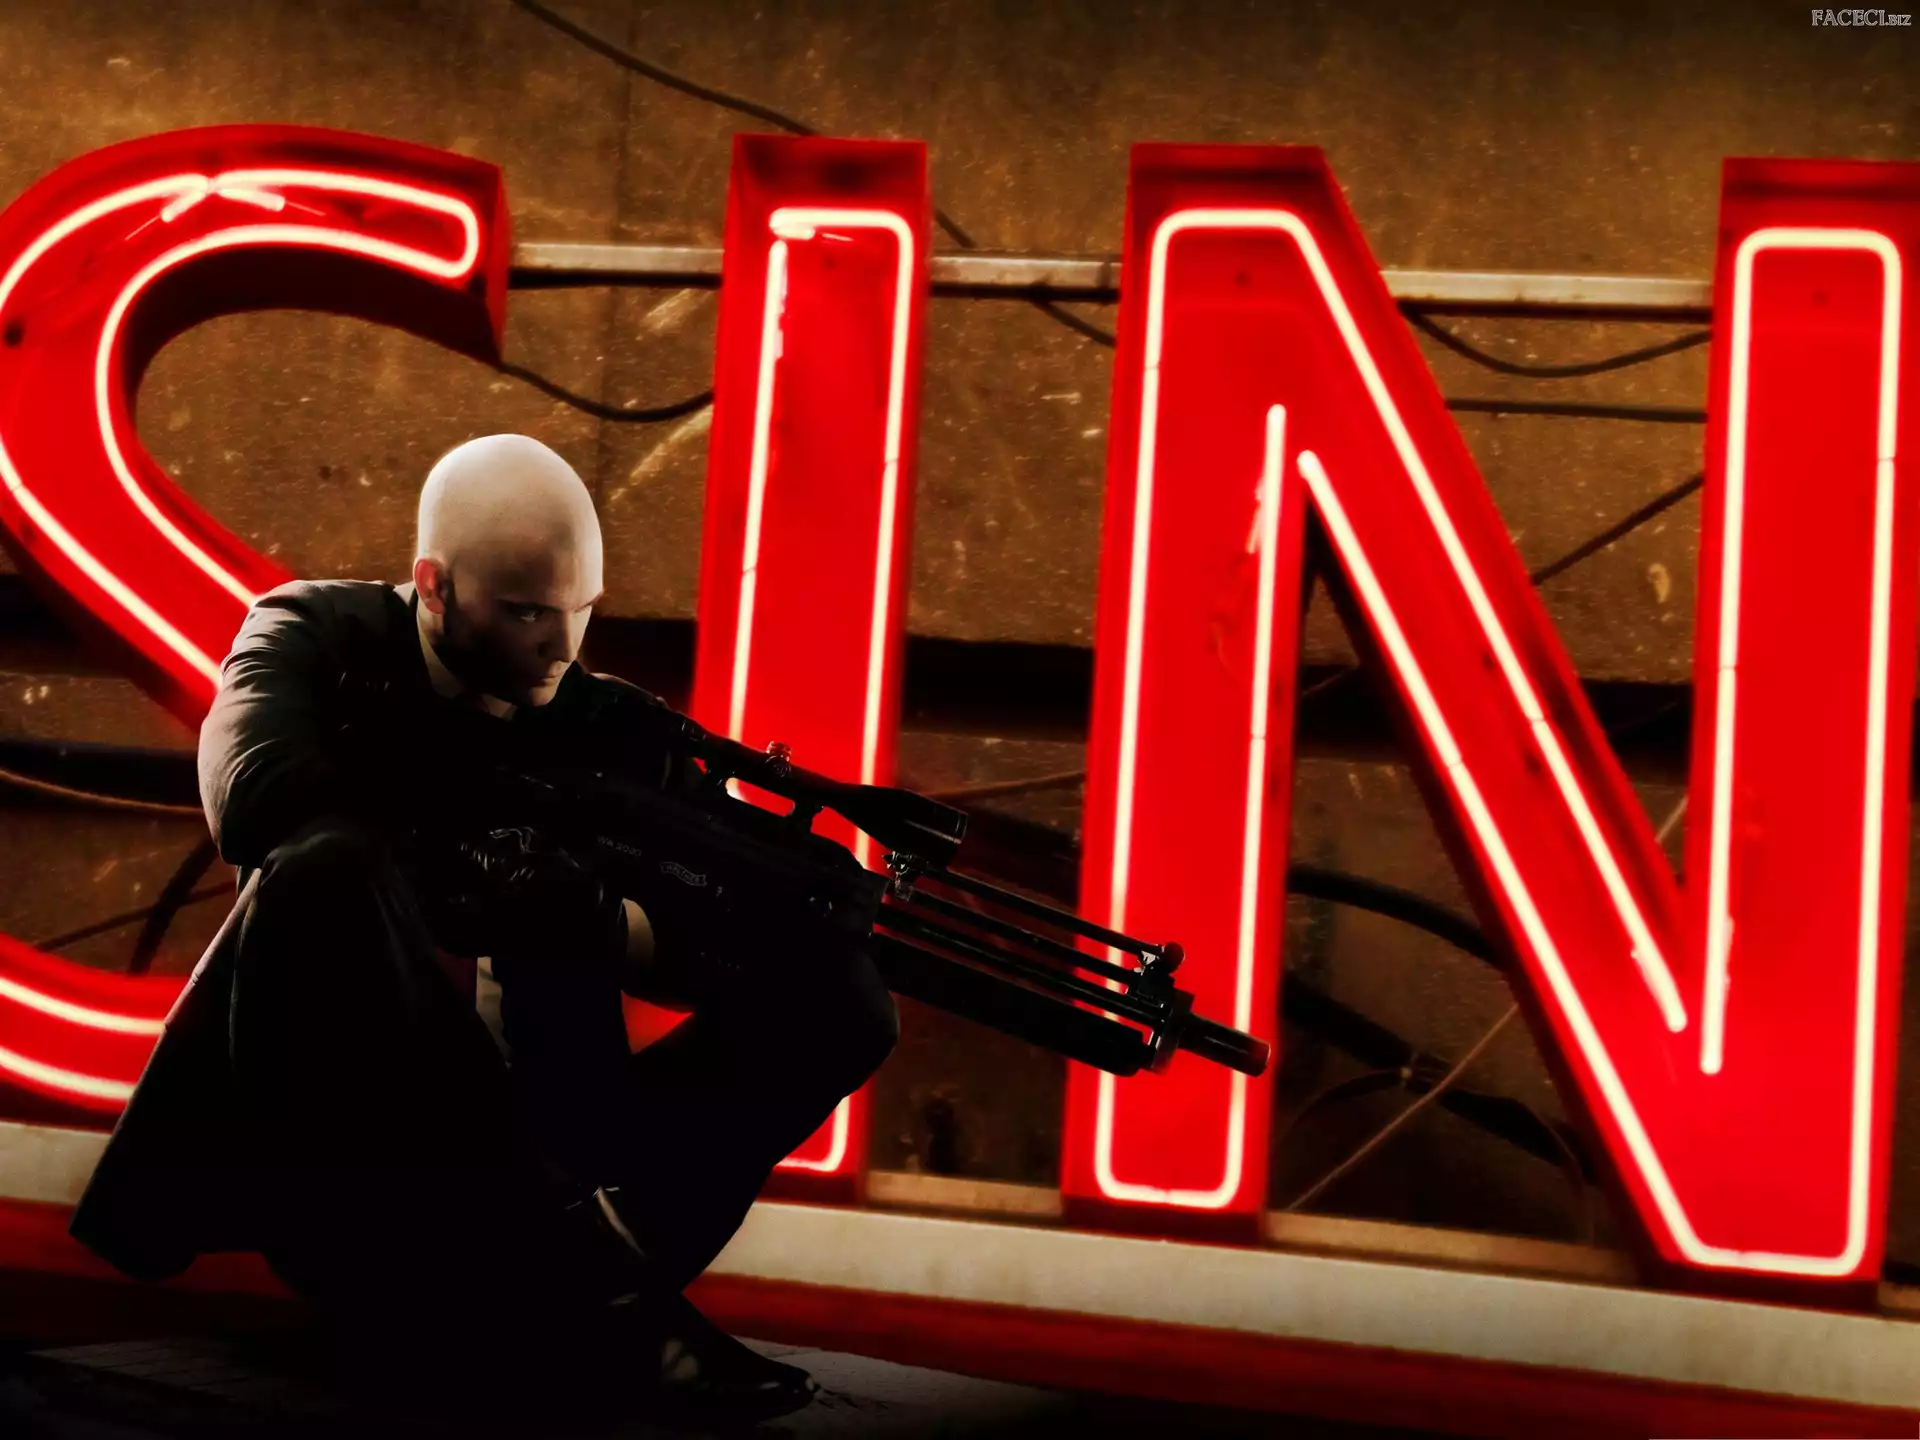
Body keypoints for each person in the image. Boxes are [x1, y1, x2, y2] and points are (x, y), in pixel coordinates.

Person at [68, 434, 900, 1426]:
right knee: (326, 868)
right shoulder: (315, 636)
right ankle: (598, 1301)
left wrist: (602, 922)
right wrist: (476, 859)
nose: (563, 647)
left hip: (571, 1141)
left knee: (843, 996)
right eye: (527, 612)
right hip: (347, 1152)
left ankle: (583, 1279)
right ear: (433, 585)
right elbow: (254, 800)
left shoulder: (612, 726)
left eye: (582, 611)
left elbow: (710, 944)